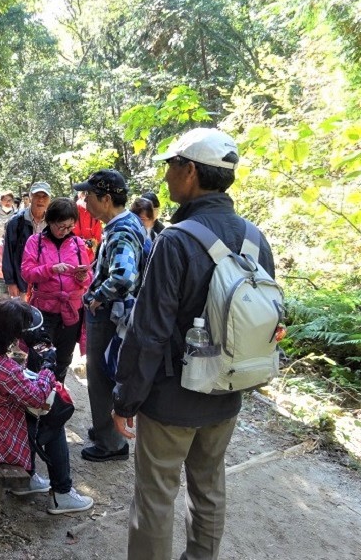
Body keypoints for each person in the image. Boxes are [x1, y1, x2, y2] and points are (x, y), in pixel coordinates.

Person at [112, 128, 275, 560]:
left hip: (171, 399)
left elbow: (148, 332)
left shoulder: (176, 240)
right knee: (209, 489)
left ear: (190, 171)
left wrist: (126, 399)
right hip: (228, 391)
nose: (166, 176)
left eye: (171, 166)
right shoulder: (256, 238)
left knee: (155, 496)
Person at [0, 297, 94, 514]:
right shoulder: (4, 370)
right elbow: (37, 397)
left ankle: (30, 478)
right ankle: (62, 493)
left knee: (30, 416)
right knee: (53, 423)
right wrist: (48, 366)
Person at [73, 169, 148, 463]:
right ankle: (106, 430)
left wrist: (97, 296)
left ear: (105, 199)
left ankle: (110, 443)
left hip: (108, 315)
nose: (84, 202)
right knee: (106, 372)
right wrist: (95, 269)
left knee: (101, 376)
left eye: (89, 195)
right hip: (117, 314)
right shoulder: (127, 223)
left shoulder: (121, 231)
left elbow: (124, 276)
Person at [21, 197, 93, 382]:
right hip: (45, 311)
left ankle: (57, 393)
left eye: (69, 227)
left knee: (63, 359)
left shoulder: (78, 243)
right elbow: (27, 273)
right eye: (61, 226)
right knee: (38, 356)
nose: (65, 231)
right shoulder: (35, 242)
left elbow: (89, 277)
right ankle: (34, 394)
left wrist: (83, 277)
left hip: (71, 311)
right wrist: (50, 269)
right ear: (50, 221)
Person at [2, 182, 52, 299]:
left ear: (49, 199)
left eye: (44, 196)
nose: (41, 200)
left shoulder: (53, 222)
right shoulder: (16, 222)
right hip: (22, 282)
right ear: (30, 197)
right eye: (37, 196)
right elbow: (8, 253)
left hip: (46, 283)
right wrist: (11, 282)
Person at [72, 191, 102, 263]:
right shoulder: (70, 211)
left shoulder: (95, 214)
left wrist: (90, 243)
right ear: (81, 196)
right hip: (71, 259)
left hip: (89, 261)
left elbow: (97, 239)